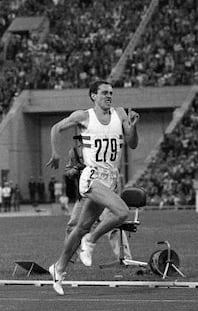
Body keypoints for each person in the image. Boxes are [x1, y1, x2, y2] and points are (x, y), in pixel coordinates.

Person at [46, 80, 140, 295]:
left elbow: (133, 143)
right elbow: (55, 128)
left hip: (110, 180)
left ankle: (58, 268)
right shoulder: (84, 116)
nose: (109, 96)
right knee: (122, 212)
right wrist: (54, 153)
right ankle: (91, 241)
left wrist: (134, 128)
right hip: (91, 177)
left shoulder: (120, 114)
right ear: (93, 96)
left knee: (80, 227)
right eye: (104, 93)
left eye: (111, 93)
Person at [64, 136, 132, 264]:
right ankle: (71, 258)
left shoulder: (101, 149)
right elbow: (68, 171)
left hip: (104, 192)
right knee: (72, 226)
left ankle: (125, 258)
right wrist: (74, 170)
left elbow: (113, 167)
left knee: (113, 226)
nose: (80, 142)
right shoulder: (73, 151)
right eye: (79, 140)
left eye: (82, 139)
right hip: (85, 194)